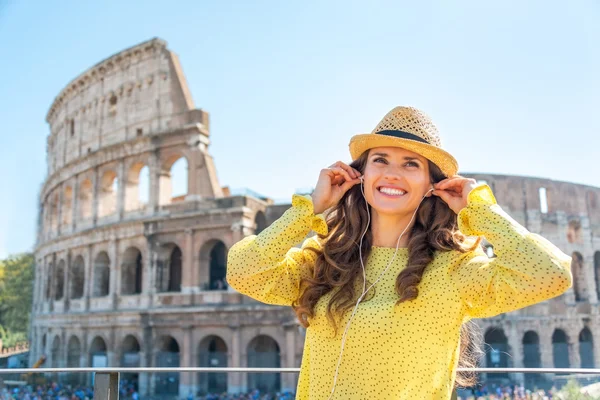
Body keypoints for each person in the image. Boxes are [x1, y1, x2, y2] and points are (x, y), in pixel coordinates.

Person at [226, 106, 572, 399]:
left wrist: (480, 209)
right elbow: (243, 272)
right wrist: (309, 210)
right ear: (360, 175)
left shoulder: (453, 268)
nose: (392, 173)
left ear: (431, 185)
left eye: (411, 164)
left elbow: (549, 273)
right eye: (380, 160)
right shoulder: (325, 258)